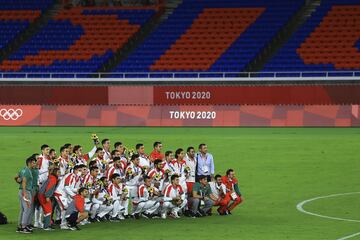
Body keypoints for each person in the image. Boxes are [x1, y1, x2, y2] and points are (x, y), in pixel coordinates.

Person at [54, 164, 84, 229]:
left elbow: (70, 188)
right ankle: (63, 224)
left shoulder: (75, 177)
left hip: (64, 195)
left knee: (67, 208)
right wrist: (73, 195)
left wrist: (77, 190)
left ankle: (66, 223)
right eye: (79, 170)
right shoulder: (70, 176)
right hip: (60, 194)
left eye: (81, 171)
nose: (80, 172)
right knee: (65, 208)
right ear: (75, 170)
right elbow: (66, 187)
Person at [17, 156, 37, 234]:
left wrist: (19, 181)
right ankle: (23, 227)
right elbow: (24, 181)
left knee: (23, 209)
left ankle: (20, 226)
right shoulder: (28, 171)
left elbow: (16, 177)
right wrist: (25, 193)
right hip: (26, 192)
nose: (35, 164)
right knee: (27, 210)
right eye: (33, 163)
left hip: (21, 191)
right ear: (29, 163)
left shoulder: (23, 169)